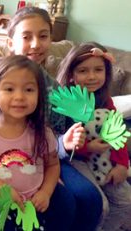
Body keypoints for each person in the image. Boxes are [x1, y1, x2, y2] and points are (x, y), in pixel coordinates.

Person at [0, 6, 103, 231]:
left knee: (90, 199)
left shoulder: (53, 87)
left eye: (43, 36)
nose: (36, 44)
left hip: (49, 155)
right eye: (27, 36)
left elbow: (56, 137)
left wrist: (64, 145)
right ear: (11, 43)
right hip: (10, 160)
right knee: (64, 201)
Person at [0, 55, 75, 230]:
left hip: (38, 195)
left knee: (66, 205)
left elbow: (52, 165)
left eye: (28, 90)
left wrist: (46, 192)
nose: (19, 96)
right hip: (0, 195)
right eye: (9, 89)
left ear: (39, 95)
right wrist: (2, 188)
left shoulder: (43, 131)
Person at [57, 41, 131, 231]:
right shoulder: (66, 101)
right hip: (78, 161)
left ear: (106, 74)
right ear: (72, 75)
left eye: (98, 70)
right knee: (101, 206)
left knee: (126, 201)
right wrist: (88, 147)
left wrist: (122, 164)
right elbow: (62, 139)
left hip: (107, 160)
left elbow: (118, 134)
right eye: (83, 71)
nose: (91, 77)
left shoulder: (106, 101)